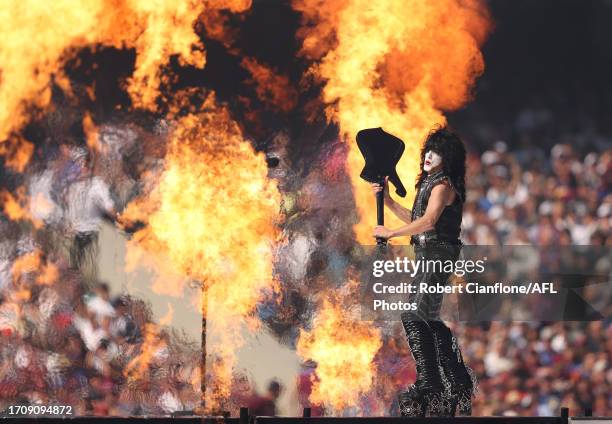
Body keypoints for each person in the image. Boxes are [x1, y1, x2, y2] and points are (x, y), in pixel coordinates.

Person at [372, 126, 475, 417]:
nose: (429, 156)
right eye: (428, 150)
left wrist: (391, 233)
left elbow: (428, 222)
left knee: (414, 315)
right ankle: (455, 379)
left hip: (438, 253)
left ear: (448, 157)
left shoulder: (443, 185)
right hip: (428, 253)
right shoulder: (430, 183)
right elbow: (417, 218)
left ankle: (433, 383)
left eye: (437, 151)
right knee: (424, 317)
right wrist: (390, 202)